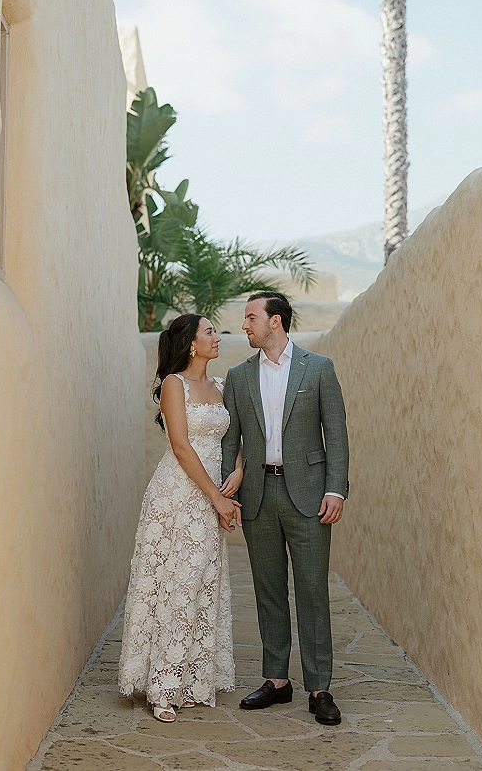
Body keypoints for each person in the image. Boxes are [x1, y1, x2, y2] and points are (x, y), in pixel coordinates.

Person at [221, 292, 348, 726]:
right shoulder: (238, 376)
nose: (245, 325)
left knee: (312, 590)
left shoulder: (319, 368)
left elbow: (336, 433)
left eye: (251, 317)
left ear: (275, 321)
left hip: (310, 496)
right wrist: (228, 494)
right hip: (258, 494)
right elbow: (230, 440)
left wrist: (335, 490)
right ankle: (277, 680)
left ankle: (319, 687)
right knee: (268, 589)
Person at [118, 314, 243, 723]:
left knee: (202, 583)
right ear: (191, 343)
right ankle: (162, 686)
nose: (217, 337)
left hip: (211, 495)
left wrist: (238, 472)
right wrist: (217, 498)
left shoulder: (223, 386)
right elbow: (181, 446)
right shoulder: (175, 384)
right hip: (178, 494)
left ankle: (190, 680)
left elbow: (238, 439)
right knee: (176, 584)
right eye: (209, 331)